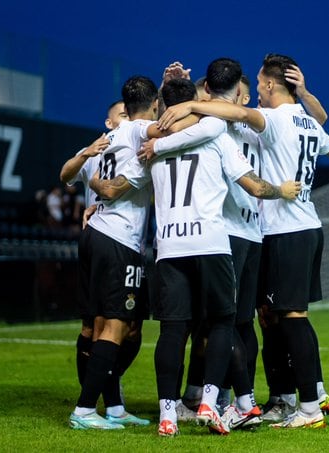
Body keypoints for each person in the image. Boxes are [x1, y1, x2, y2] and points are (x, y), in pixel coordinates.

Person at [91, 73, 301, 436]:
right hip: (211, 243)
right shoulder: (215, 134)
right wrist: (280, 191)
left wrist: (95, 198)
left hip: (169, 248)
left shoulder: (150, 147)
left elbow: (119, 186)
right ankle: (209, 401)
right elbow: (253, 185)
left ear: (162, 107)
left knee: (173, 330)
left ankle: (168, 415)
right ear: (194, 102)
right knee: (222, 323)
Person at [157, 53, 329, 429]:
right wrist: (305, 94)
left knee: (262, 319)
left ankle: (285, 401)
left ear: (270, 85)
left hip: (270, 228)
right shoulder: (302, 121)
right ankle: (293, 395)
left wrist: (188, 100)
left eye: (259, 85)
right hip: (291, 228)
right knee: (266, 318)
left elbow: (220, 116)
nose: (254, 94)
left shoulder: (260, 121)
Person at [68, 77, 158, 430]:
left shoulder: (109, 139)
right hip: (119, 239)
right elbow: (167, 128)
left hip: (98, 234)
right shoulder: (137, 130)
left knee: (112, 326)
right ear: (152, 106)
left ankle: (114, 406)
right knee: (114, 327)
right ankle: (85, 409)